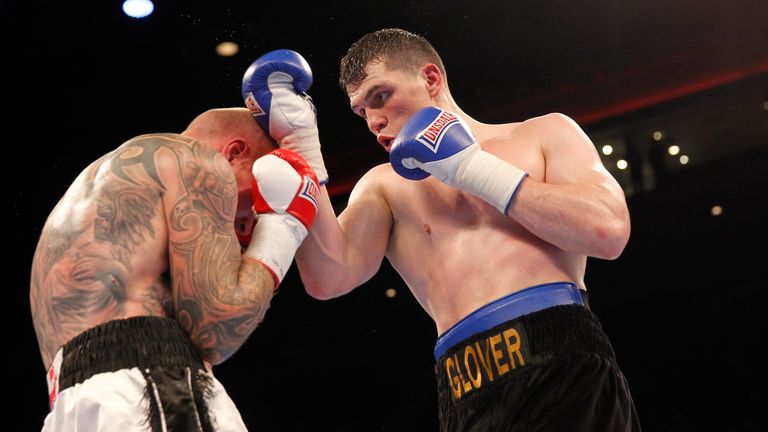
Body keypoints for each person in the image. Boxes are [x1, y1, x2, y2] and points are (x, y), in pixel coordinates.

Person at [242, 29, 639, 431]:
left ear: (431, 79)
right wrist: (301, 148)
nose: (375, 120)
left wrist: (472, 169)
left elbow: (607, 231)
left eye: (381, 96)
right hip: (464, 381)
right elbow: (329, 278)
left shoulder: (542, 134)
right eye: (362, 113)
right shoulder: (384, 186)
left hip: (563, 358)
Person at [30, 107, 320, 431]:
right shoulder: (198, 162)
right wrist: (283, 228)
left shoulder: (92, 191)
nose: (248, 225)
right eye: (254, 204)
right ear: (235, 153)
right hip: (149, 388)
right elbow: (216, 330)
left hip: (71, 406)